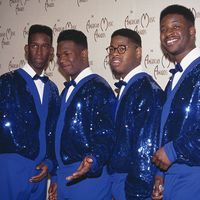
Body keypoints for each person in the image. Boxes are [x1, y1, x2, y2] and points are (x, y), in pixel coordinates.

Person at [48, 29, 116, 200]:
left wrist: (93, 159)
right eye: (58, 55)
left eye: (67, 53)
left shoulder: (99, 87)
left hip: (89, 180)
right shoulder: (65, 92)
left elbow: (107, 134)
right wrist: (56, 177)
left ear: (84, 54)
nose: (61, 60)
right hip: (65, 178)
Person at [0, 24, 60, 199]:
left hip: (40, 171)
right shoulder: (6, 82)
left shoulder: (53, 89)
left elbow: (54, 132)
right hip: (9, 169)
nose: (40, 51)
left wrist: (51, 165)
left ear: (51, 51)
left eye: (45, 46)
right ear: (27, 49)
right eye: (35, 46)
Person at [106, 28, 164, 200]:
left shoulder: (146, 89)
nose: (115, 54)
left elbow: (146, 149)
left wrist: (136, 193)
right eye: (112, 49)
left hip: (134, 187)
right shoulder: (130, 86)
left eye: (122, 48)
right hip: (119, 182)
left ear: (138, 52)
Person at [152, 4, 200, 200]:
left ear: (192, 31)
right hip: (172, 177)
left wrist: (173, 150)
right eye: (163, 29)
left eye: (174, 26)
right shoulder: (175, 78)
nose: (167, 33)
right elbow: (169, 129)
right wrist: (160, 174)